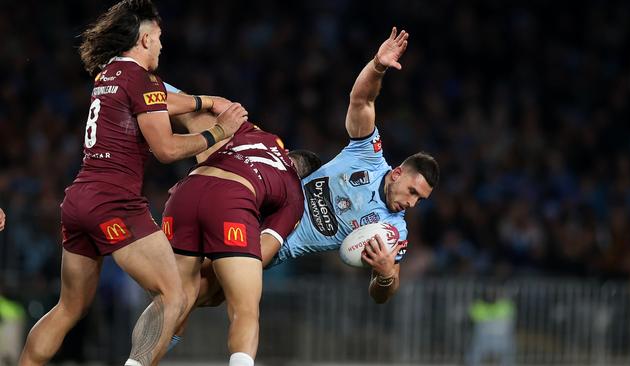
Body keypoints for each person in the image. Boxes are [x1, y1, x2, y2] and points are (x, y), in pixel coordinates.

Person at [165, 27, 439, 351]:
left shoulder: (393, 231)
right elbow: (361, 100)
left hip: (277, 244)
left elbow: (382, 294)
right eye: (412, 192)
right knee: (210, 118)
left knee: (197, 294)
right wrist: (378, 66)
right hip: (264, 202)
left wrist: (384, 276)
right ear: (396, 174)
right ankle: (144, 85)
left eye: (420, 200)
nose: (412, 203)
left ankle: (149, 350)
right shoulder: (367, 154)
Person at [18, 1, 247, 366]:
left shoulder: (108, 74)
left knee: (69, 307)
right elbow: (167, 149)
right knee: (173, 295)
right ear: (142, 40)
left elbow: (158, 102)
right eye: (157, 38)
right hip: (115, 202)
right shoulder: (142, 78)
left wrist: (205, 100)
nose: (160, 45)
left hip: (79, 198)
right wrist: (220, 131)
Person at [160, 121, 305, 366]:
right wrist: (221, 273)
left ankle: (136, 361)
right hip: (232, 198)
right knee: (244, 308)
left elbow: (199, 116)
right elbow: (261, 253)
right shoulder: (294, 192)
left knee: (173, 301)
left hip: (185, 192)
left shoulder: (258, 135)